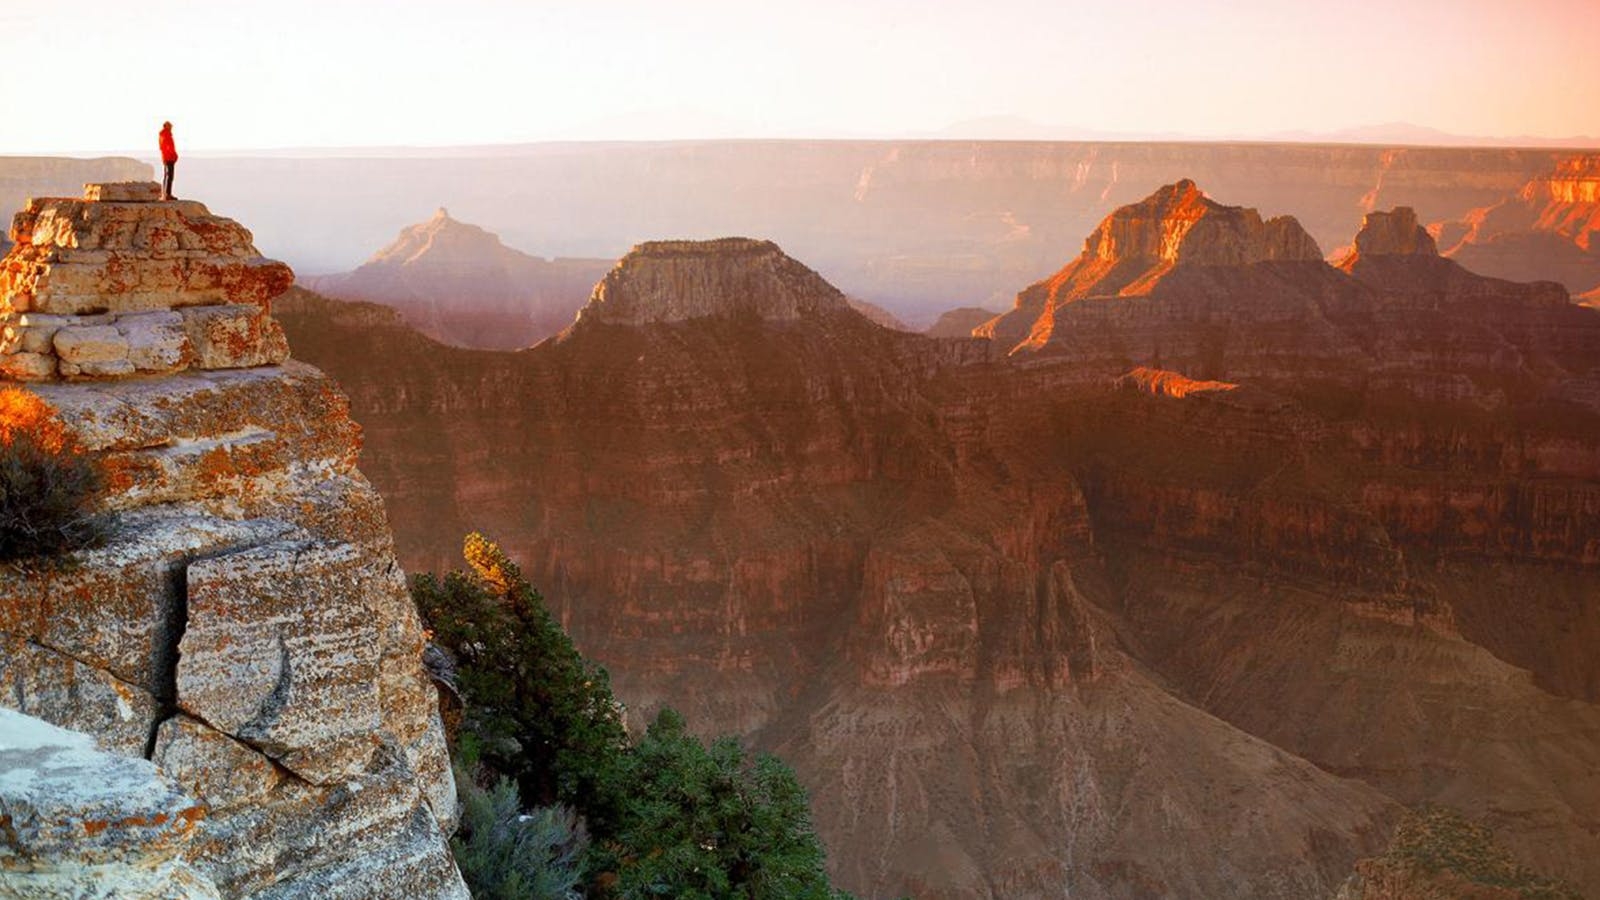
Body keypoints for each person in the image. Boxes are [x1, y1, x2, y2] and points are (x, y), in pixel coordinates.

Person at [158, 122, 178, 200]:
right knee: (169, 176)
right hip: (169, 158)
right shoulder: (166, 135)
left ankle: (166, 194)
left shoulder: (164, 135)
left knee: (168, 176)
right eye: (170, 126)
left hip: (167, 157)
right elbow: (169, 148)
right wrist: (174, 155)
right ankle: (167, 194)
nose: (171, 127)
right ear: (166, 126)